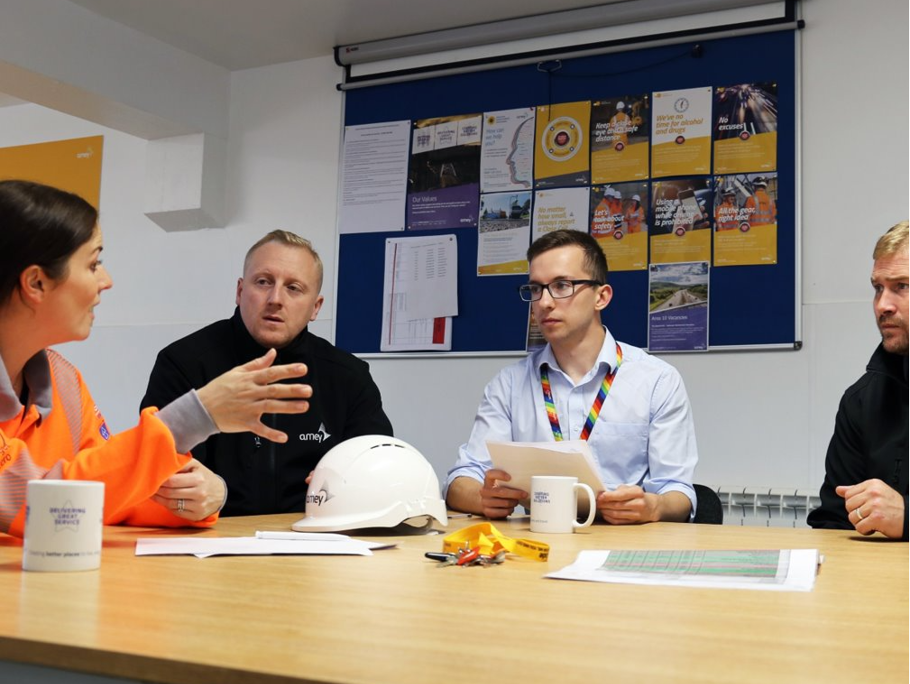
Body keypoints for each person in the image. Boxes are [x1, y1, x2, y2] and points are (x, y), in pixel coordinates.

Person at [0, 180, 312, 537]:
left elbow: (103, 487)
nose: (107, 280)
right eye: (93, 264)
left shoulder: (64, 381)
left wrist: (194, 499)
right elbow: (40, 502)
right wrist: (197, 415)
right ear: (36, 283)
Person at [445, 229, 698, 523]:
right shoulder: (509, 384)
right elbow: (461, 479)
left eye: (562, 285)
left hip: (625, 541)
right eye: (536, 289)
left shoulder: (656, 380)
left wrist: (654, 507)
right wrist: (481, 497)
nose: (544, 303)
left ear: (601, 297)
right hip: (539, 540)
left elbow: (677, 491)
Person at [142, 230, 393, 516]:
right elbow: (155, 467)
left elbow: (380, 467)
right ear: (239, 291)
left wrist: (355, 482)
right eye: (263, 282)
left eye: (294, 288)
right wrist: (202, 492)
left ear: (315, 307)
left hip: (316, 539)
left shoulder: (349, 376)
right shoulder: (183, 362)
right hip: (211, 535)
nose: (275, 299)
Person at [808, 221, 908, 540]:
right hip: (878, 585)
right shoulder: (862, 400)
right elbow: (833, 521)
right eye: (878, 288)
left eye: (902, 286)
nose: (883, 305)